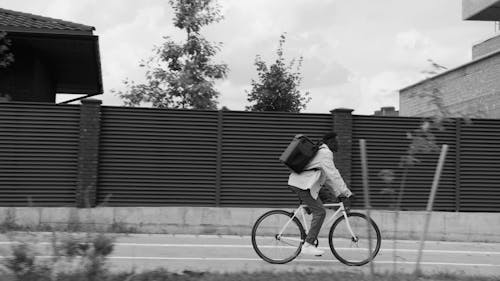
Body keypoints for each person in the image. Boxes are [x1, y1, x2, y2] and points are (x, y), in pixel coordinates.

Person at [288, 131, 353, 256]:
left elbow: (327, 178)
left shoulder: (322, 153)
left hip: (306, 184)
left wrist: (338, 193)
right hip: (303, 185)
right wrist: (346, 192)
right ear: (330, 142)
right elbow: (334, 174)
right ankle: (308, 244)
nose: (338, 144)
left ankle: (309, 216)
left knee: (325, 199)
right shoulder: (325, 153)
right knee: (320, 212)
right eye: (337, 142)